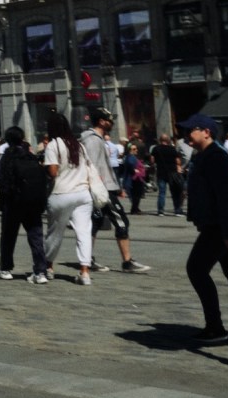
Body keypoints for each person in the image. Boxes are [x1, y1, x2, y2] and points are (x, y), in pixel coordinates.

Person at [178, 113, 228, 344]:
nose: (186, 135)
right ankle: (215, 327)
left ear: (206, 132)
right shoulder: (204, 156)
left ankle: (215, 328)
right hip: (218, 224)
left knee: (196, 269)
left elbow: (227, 197)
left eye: (190, 130)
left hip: (219, 226)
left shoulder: (216, 157)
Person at [79, 107, 151, 274]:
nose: (112, 123)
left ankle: (87, 259)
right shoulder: (93, 140)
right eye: (110, 120)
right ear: (102, 121)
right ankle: (127, 262)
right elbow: (92, 166)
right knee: (121, 221)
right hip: (102, 190)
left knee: (94, 224)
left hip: (103, 188)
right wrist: (101, 186)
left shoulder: (95, 139)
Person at [0, 127, 49, 282]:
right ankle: (40, 271)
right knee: (36, 236)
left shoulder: (7, 156)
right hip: (33, 201)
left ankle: (5, 268)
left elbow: (1, 179)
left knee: (9, 236)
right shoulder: (30, 156)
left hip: (13, 202)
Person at [43, 115, 95, 286]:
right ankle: (85, 271)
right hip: (83, 194)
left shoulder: (53, 145)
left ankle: (49, 266)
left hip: (62, 194)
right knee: (84, 232)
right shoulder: (79, 145)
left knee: (54, 233)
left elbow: (52, 172)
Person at [150, 132, 184, 217]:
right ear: (168, 140)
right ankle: (177, 211)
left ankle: (161, 211)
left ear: (160, 140)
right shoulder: (172, 149)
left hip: (161, 173)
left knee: (162, 192)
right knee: (175, 192)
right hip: (172, 173)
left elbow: (152, 161)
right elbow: (178, 161)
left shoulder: (156, 149)